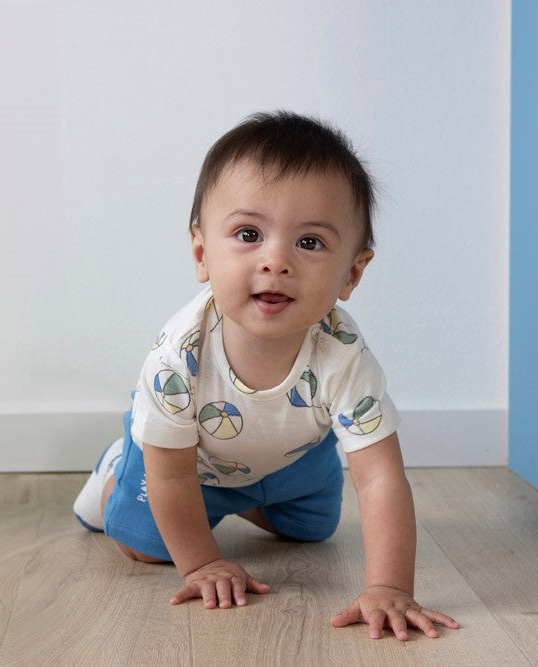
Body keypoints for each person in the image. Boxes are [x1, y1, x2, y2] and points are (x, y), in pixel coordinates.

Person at [73, 111, 459, 641]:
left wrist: (390, 586)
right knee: (145, 545)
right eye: (249, 234)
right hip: (189, 465)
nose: (276, 260)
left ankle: (244, 498)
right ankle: (120, 466)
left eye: (310, 242)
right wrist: (204, 563)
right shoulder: (178, 359)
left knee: (313, 531)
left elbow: (378, 475)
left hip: (291, 459)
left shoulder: (343, 356)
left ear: (352, 272)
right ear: (202, 253)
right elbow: (172, 477)